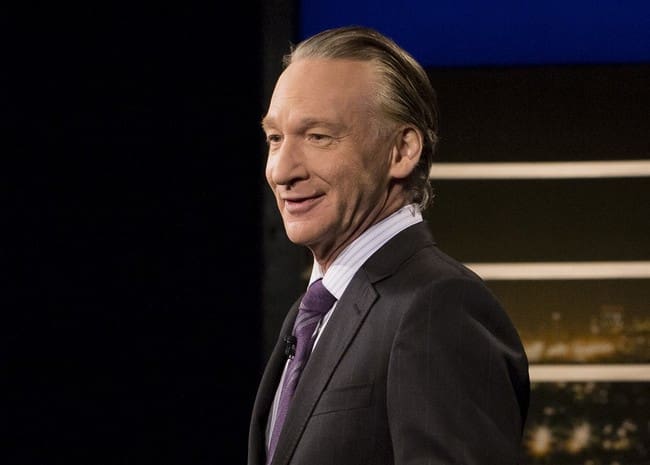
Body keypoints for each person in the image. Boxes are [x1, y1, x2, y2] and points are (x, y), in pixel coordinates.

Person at [248, 25, 530, 465]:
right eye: (275, 138)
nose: (282, 171)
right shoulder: (312, 314)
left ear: (401, 150)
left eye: (318, 136)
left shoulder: (440, 308)